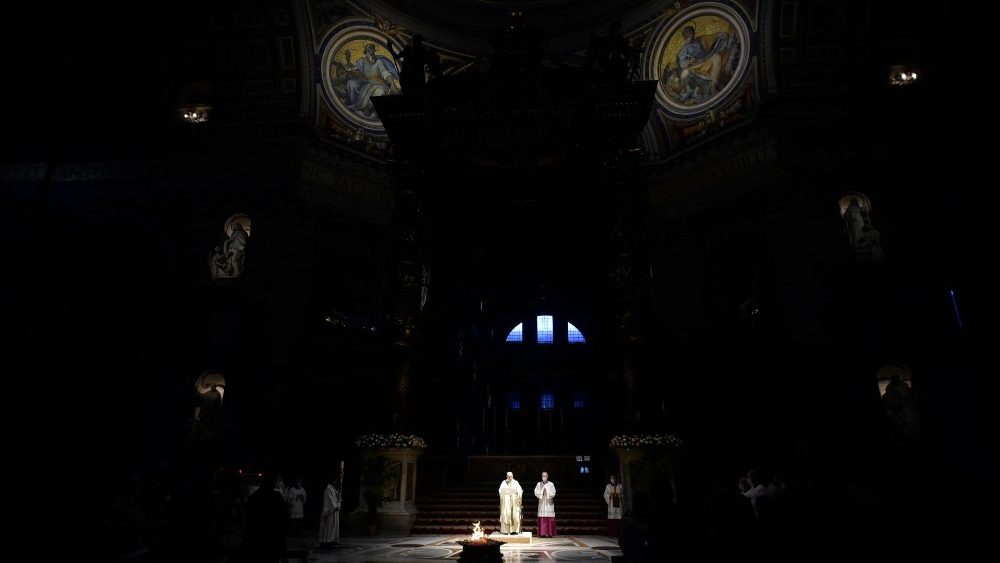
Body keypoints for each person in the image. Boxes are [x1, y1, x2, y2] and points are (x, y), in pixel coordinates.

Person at [344, 43, 400, 118]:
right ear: (366, 52)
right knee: (351, 83)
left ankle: (367, 108)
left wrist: (392, 84)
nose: (371, 51)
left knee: (380, 92)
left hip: (380, 84)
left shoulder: (379, 62)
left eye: (372, 49)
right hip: (367, 83)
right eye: (369, 49)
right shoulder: (362, 62)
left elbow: (385, 73)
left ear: (374, 51)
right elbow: (355, 69)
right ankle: (356, 104)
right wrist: (348, 60)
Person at [241, 473, 287, 563]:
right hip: (270, 539)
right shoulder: (276, 497)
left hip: (258, 539)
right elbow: (282, 520)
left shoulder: (255, 497)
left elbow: (249, 520)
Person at [318, 478, 341, 546]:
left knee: (333, 526)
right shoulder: (328, 489)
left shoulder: (334, 489)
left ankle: (332, 539)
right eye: (335, 480)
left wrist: (339, 499)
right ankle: (327, 540)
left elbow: (338, 499)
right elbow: (329, 501)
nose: (336, 482)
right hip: (330, 512)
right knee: (328, 526)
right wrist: (335, 507)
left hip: (334, 511)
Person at [534, 471, 557, 537]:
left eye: (545, 476)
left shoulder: (551, 484)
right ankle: (542, 533)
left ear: (547, 476)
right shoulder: (539, 484)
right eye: (542, 476)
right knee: (542, 517)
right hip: (542, 502)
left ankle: (550, 533)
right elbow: (536, 492)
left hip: (549, 502)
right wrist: (541, 492)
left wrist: (547, 492)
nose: (543, 477)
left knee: (549, 517)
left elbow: (554, 492)